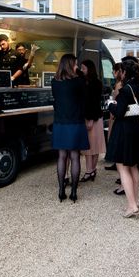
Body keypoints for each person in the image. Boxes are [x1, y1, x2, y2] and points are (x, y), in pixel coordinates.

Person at [105, 59, 139, 218]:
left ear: (125, 73)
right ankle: (135, 201)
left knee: (122, 167)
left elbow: (119, 112)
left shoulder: (125, 90)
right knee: (134, 166)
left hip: (124, 130)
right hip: (136, 128)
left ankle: (131, 206)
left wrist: (110, 104)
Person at [51, 54, 89, 203]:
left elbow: (55, 100)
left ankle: (61, 190)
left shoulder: (55, 81)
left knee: (61, 156)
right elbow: (84, 101)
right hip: (75, 122)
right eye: (75, 64)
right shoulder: (78, 81)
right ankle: (73, 191)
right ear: (70, 64)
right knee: (74, 156)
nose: (77, 67)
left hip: (60, 122)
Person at [79, 60, 105, 182]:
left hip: (92, 117)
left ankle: (90, 171)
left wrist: (89, 120)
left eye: (83, 68)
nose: (82, 70)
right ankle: (91, 170)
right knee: (91, 147)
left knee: (91, 147)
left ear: (89, 68)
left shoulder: (93, 83)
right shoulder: (89, 81)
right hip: (95, 117)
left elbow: (93, 102)